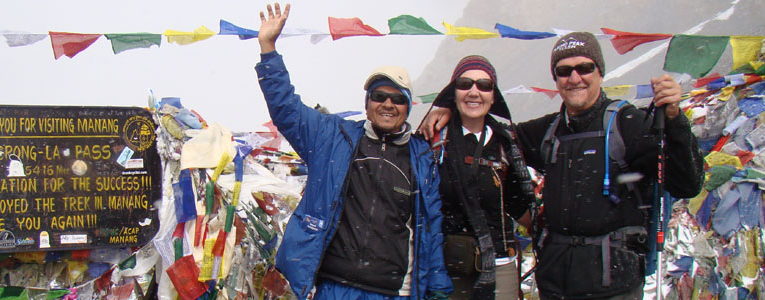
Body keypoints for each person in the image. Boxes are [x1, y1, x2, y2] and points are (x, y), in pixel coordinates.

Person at [421, 32, 703, 299]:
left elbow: (686, 184)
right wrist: (450, 108)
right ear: (556, 79)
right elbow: (492, 135)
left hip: (614, 284)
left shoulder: (628, 125)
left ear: (600, 73)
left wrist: (676, 121)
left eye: (584, 67)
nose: (574, 78)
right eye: (564, 71)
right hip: (556, 282)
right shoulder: (547, 131)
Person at [256, 3, 453, 300]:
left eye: (397, 99)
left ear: (408, 107)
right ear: (367, 103)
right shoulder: (332, 138)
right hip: (334, 287)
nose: (388, 104)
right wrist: (268, 48)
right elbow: (286, 109)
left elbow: (431, 229)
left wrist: (438, 288)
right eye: (379, 96)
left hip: (392, 292)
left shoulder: (421, 160)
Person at [429, 55, 536, 300]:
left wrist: (551, 225)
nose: (474, 92)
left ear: (494, 95)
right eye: (465, 84)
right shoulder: (434, 141)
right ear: (453, 92)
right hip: (447, 267)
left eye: (484, 85)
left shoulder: (507, 143)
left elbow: (515, 202)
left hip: (499, 263)